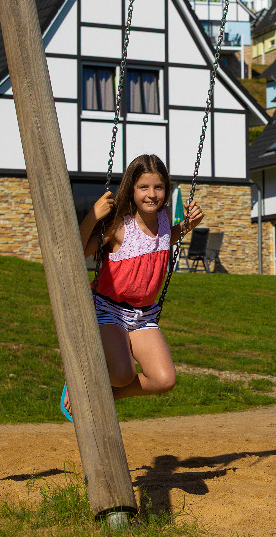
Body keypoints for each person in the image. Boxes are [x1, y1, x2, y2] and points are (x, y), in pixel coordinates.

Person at [60, 154, 204, 421]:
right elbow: (76, 251)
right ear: (132, 189)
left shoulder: (162, 220)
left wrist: (186, 227)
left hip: (144, 315)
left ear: (166, 189)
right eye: (144, 187)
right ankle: (79, 378)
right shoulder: (119, 225)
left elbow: (164, 239)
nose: (152, 194)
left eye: (158, 187)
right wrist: (92, 216)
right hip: (108, 309)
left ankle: (99, 395)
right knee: (123, 374)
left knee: (164, 379)